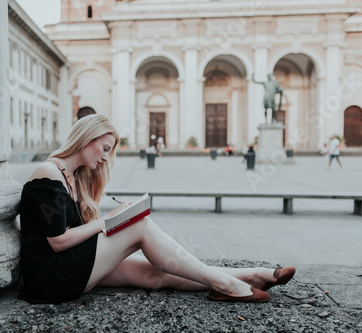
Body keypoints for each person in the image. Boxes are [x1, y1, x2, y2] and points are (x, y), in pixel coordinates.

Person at [18, 114, 295, 304]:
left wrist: (111, 220)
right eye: (104, 148)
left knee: (156, 274)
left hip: (67, 269)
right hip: (48, 278)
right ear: (86, 138)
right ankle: (226, 286)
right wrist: (109, 220)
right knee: (138, 224)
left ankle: (253, 275)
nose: (105, 158)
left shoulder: (74, 178)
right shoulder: (49, 173)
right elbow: (57, 242)